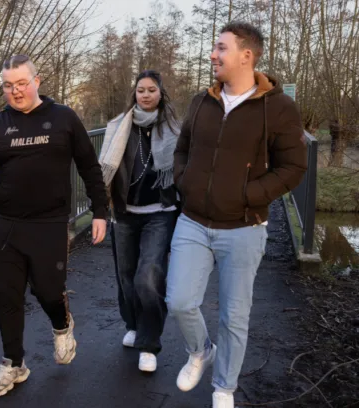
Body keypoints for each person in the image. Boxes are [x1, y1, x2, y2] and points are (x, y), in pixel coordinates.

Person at [0, 54, 108, 397]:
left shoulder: (63, 118)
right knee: (7, 295)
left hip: (48, 224)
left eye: (21, 83)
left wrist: (99, 211)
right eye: (8, 85)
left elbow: (89, 167)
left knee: (48, 292)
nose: (15, 91)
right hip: (6, 224)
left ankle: (62, 324)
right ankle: (13, 363)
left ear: (37, 81)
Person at [165, 22, 307, 408]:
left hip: (244, 227)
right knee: (179, 300)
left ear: (247, 55)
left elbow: (293, 167)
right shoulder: (202, 101)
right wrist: (185, 181)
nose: (213, 54)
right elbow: (183, 148)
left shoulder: (278, 107)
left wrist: (249, 195)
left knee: (234, 315)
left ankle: (223, 387)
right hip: (193, 220)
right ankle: (200, 351)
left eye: (221, 47)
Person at [99, 70, 180, 372]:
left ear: (161, 93)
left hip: (160, 213)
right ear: (134, 94)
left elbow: (185, 171)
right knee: (126, 275)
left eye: (151, 90)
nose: (145, 95)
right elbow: (103, 172)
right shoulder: (118, 127)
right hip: (124, 213)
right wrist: (100, 208)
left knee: (149, 276)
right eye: (141, 90)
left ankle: (150, 342)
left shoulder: (174, 129)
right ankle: (132, 325)